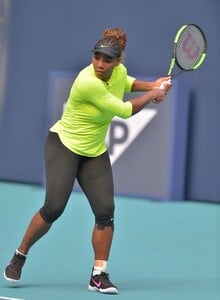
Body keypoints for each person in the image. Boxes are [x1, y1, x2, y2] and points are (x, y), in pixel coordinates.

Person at [4, 31, 171, 294]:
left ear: (118, 60)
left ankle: (98, 275)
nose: (101, 63)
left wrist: (152, 85)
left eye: (108, 59)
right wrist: (154, 95)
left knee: (106, 211)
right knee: (53, 208)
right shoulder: (87, 81)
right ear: (92, 56)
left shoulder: (117, 71)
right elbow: (126, 111)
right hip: (64, 146)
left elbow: (126, 82)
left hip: (93, 151)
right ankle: (20, 254)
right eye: (97, 57)